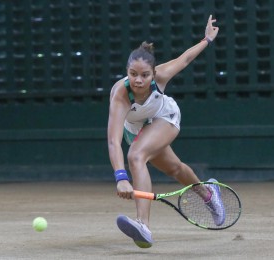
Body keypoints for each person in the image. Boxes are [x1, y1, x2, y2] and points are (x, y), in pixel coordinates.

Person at [107, 15, 224, 248]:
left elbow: (186, 58)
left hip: (165, 118)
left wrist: (207, 39)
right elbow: (113, 140)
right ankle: (209, 194)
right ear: (127, 72)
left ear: (153, 73)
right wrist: (120, 177)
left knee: (136, 156)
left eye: (144, 75)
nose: (138, 80)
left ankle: (143, 225)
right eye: (133, 74)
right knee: (175, 168)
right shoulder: (120, 95)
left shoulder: (161, 75)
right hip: (138, 129)